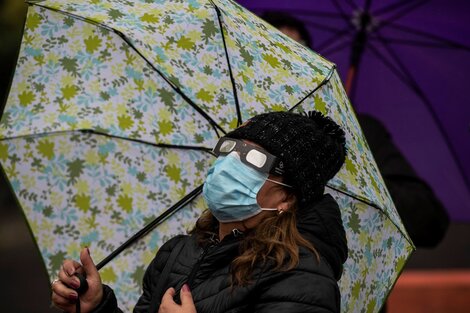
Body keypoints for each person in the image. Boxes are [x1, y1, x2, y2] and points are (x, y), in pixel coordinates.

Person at [51, 111, 349, 313]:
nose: (232, 163)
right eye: (231, 148)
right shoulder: (179, 252)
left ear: (287, 196)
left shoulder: (303, 281)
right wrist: (97, 307)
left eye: (254, 158)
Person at [262, 11, 449, 249]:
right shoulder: (227, 128)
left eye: (299, 49)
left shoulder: (355, 132)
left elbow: (428, 222)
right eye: (273, 48)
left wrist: (346, 169)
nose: (287, 60)